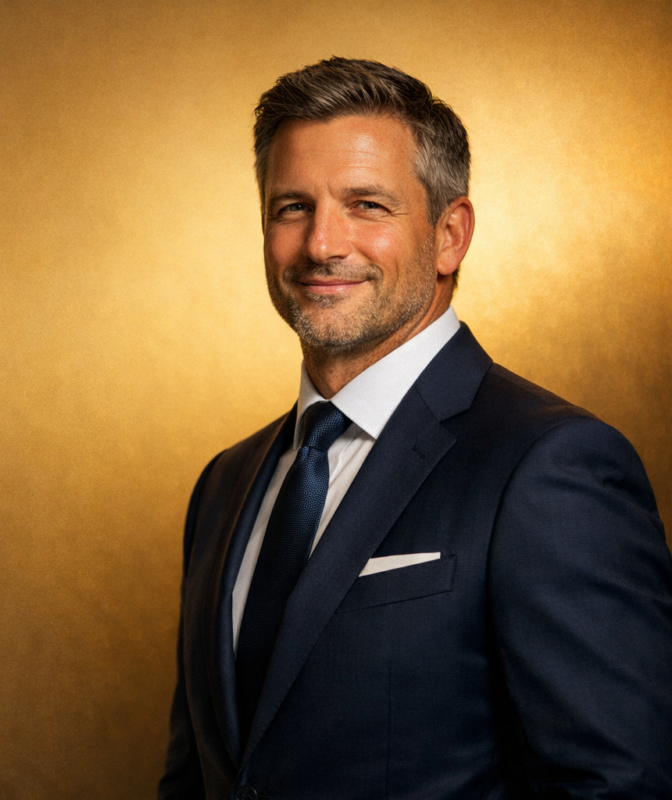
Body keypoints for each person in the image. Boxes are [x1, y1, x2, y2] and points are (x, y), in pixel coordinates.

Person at [157, 57, 672, 800]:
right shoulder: (225, 485)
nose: (322, 244)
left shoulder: (550, 464)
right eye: (291, 207)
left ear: (450, 235)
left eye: (367, 205)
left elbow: (620, 785)